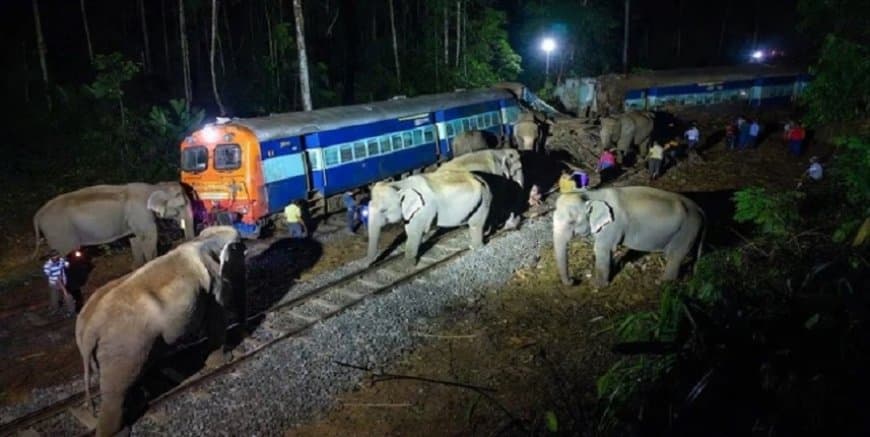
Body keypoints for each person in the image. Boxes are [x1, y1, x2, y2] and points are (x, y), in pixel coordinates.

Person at [43, 250, 73, 316]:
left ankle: (70, 311)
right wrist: (57, 277)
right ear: (51, 257)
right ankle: (55, 309)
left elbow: (67, 265)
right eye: (54, 256)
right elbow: (48, 274)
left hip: (63, 281)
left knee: (67, 295)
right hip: (54, 283)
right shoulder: (47, 265)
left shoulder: (61, 260)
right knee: (54, 298)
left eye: (57, 255)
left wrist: (67, 263)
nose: (56, 257)